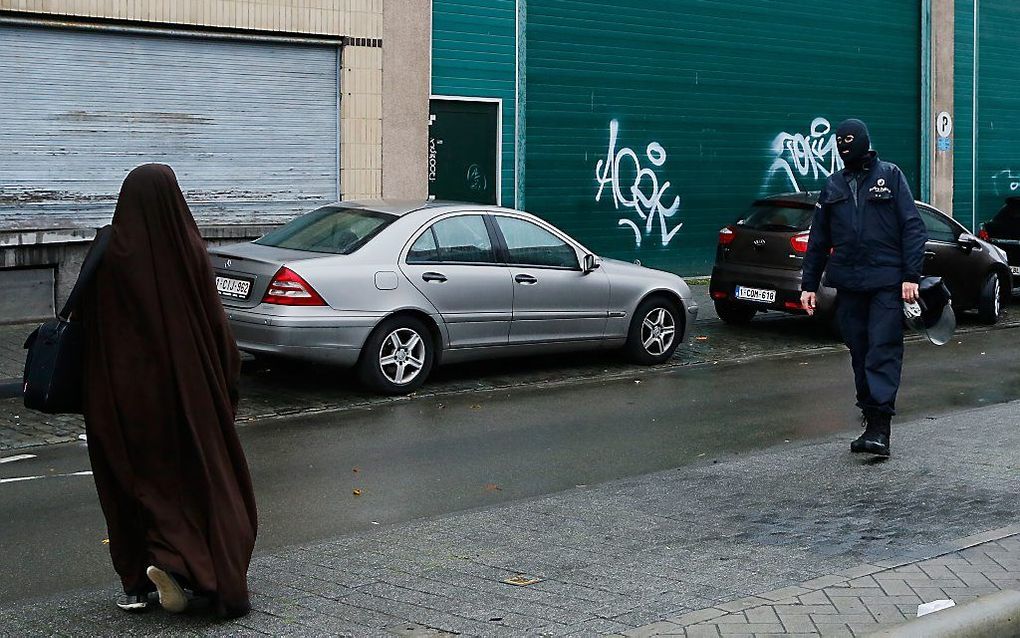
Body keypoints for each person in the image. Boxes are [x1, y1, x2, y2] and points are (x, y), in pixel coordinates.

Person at [79, 164, 258, 617]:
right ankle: (193, 570)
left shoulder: (109, 252)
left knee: (132, 486)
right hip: (187, 396)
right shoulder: (189, 251)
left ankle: (138, 585)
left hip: (121, 399)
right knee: (199, 482)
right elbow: (219, 332)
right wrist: (225, 383)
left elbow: (86, 325)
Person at [800, 119, 927, 458]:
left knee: (882, 350)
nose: (844, 145)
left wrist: (910, 276)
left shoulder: (890, 176)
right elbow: (818, 240)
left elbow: (913, 228)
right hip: (850, 284)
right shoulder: (833, 186)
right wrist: (808, 285)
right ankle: (870, 420)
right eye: (839, 140)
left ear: (864, 141)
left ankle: (880, 430)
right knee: (859, 351)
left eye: (849, 139)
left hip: (887, 282)